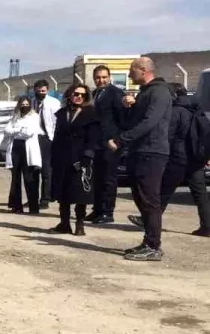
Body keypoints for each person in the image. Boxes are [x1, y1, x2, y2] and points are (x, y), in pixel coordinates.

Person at [110, 57, 173, 261]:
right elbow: (131, 122)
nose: (129, 75)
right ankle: (148, 242)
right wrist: (129, 107)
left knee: (149, 200)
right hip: (138, 151)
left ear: (143, 69)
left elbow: (150, 122)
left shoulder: (160, 92)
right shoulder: (144, 93)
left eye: (132, 70)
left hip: (152, 152)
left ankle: (154, 246)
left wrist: (121, 140)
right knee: (140, 197)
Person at [147, 84, 210, 238]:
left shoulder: (176, 111)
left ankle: (148, 221)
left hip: (178, 158)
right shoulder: (197, 109)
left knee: (163, 190)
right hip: (197, 158)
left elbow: (169, 135)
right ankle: (207, 227)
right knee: (201, 195)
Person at [48, 84, 101, 236]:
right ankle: (64, 223)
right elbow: (57, 135)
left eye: (82, 95)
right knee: (62, 192)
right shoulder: (62, 113)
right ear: (69, 94)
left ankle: (79, 224)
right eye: (76, 94)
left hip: (80, 158)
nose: (79, 97)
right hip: (61, 157)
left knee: (79, 193)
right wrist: (52, 156)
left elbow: (93, 138)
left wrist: (88, 156)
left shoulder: (91, 113)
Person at [90, 65, 128, 225]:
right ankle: (97, 209)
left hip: (111, 142)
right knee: (97, 177)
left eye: (104, 77)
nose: (101, 80)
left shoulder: (116, 94)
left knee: (108, 178)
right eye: (98, 77)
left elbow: (123, 120)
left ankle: (107, 211)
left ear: (109, 77)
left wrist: (118, 140)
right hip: (97, 142)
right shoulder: (95, 94)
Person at [3, 97, 43, 215]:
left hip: (28, 148)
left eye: (27, 104)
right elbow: (7, 130)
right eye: (22, 104)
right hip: (15, 148)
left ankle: (33, 207)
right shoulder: (15, 116)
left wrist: (16, 130)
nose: (24, 106)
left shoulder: (34, 117)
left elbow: (29, 132)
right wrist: (19, 129)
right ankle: (16, 206)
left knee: (30, 178)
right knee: (15, 178)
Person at [32, 80, 62, 211]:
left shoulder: (53, 103)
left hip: (47, 138)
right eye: (38, 91)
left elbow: (57, 121)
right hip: (33, 139)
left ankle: (45, 198)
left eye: (43, 91)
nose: (40, 93)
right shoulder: (32, 102)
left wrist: (55, 139)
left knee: (46, 171)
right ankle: (32, 198)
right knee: (33, 170)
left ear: (47, 90)